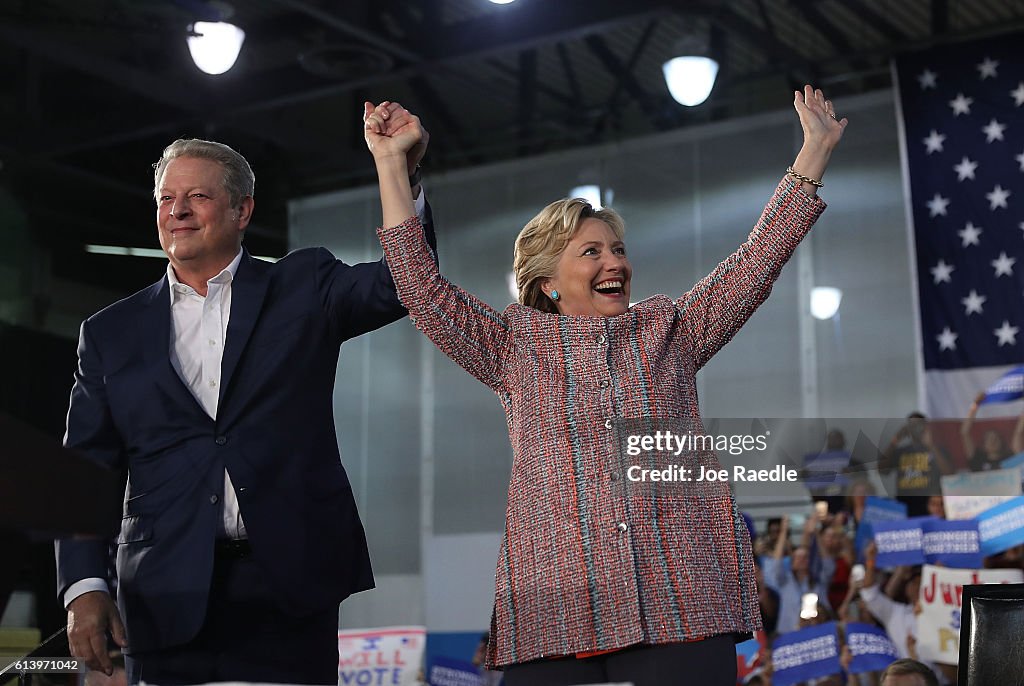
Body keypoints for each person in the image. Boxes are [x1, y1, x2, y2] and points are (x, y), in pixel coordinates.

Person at [365, 86, 846, 685]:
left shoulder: (670, 331)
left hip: (681, 603)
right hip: (556, 610)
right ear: (547, 282)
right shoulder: (514, 347)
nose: (613, 262)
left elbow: (757, 260)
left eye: (617, 248)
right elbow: (419, 286)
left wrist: (814, 154)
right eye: (590, 252)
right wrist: (391, 165)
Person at [56, 109, 434, 685]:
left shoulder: (303, 285)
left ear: (242, 210)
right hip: (161, 594)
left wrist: (393, 166)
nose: (177, 210)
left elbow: (402, 284)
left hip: (287, 585)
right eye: (166, 198)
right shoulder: (108, 333)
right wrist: (84, 586)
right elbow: (85, 470)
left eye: (198, 196)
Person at [880, 413, 953, 517]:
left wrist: (931, 445)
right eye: (911, 425)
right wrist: (895, 440)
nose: (915, 428)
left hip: (932, 509)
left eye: (919, 424)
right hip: (906, 508)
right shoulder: (901, 452)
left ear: (926, 426)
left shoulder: (938, 450)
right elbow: (882, 470)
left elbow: (949, 474)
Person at [960, 391, 1012, 471]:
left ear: (1001, 442)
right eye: (989, 439)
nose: (993, 442)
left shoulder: (1010, 459)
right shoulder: (977, 458)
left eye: (996, 438)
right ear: (984, 444)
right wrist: (975, 405)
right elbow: (964, 433)